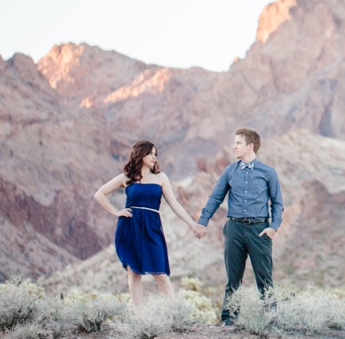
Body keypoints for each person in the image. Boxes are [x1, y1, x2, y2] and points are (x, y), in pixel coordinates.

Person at [94, 140, 206, 311]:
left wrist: (193, 224)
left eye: (155, 154)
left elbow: (174, 204)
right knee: (134, 272)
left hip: (152, 227)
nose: (154, 157)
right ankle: (140, 316)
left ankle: (173, 314)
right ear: (140, 155)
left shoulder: (161, 177)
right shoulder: (127, 178)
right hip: (130, 227)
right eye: (150, 153)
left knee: (160, 273)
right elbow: (99, 194)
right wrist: (116, 212)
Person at [196, 127, 284, 325]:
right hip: (234, 229)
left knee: (264, 279)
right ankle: (229, 320)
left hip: (259, 231)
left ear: (250, 146)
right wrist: (203, 222)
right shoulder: (230, 171)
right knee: (233, 279)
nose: (233, 146)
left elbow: (277, 203)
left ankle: (272, 319)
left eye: (238, 143)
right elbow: (215, 198)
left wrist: (273, 227)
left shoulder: (268, 172)